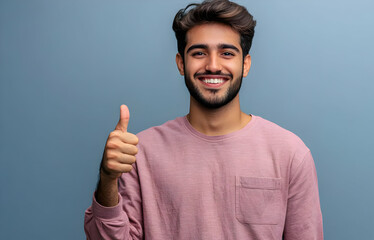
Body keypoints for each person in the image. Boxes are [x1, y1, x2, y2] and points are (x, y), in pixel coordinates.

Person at [84, 0, 323, 239]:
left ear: (245, 64)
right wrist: (107, 178)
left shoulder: (290, 154)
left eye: (227, 53)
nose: (213, 65)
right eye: (199, 53)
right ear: (181, 63)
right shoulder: (139, 152)